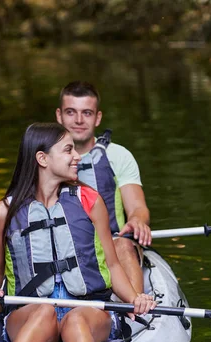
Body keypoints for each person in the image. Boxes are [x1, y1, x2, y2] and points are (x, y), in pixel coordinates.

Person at [0, 122, 156, 342]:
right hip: (29, 312)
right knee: (43, 312)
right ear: (43, 159)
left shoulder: (90, 201)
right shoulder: (3, 212)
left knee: (75, 319)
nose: (77, 156)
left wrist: (134, 299)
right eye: (68, 150)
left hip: (88, 309)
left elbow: (112, 265)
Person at [56, 81, 150, 293]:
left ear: (97, 117)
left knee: (123, 246)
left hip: (114, 240)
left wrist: (137, 220)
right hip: (63, 245)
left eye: (87, 113)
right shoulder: (44, 158)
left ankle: (136, 309)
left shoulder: (119, 155)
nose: (79, 120)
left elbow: (138, 207)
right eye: (71, 112)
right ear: (59, 115)